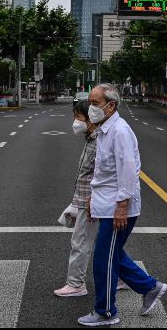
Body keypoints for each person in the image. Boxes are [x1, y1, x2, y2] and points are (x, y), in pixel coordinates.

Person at [78, 83, 167, 327]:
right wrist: (92, 198)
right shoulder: (105, 129)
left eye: (95, 103)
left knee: (103, 258)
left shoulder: (120, 132)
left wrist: (121, 207)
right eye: (90, 102)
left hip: (118, 207)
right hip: (106, 203)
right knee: (111, 255)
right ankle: (150, 287)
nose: (90, 107)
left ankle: (106, 312)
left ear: (111, 105)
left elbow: (128, 172)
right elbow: (104, 172)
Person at [54, 100, 127, 298]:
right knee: (104, 243)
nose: (75, 122)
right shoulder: (92, 139)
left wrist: (91, 200)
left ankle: (76, 284)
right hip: (87, 199)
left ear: (90, 120)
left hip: (91, 202)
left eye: (78, 117)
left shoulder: (98, 142)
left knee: (80, 242)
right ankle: (122, 277)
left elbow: (103, 174)